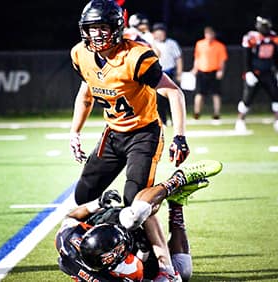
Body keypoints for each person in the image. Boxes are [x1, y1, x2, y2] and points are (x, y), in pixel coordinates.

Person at [69, 0, 189, 279]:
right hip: (112, 133)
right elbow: (86, 95)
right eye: (92, 28)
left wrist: (180, 137)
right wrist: (74, 131)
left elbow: (174, 93)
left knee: (136, 203)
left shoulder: (136, 57)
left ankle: (165, 268)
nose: (97, 34)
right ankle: (111, 249)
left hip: (144, 133)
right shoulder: (80, 54)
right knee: (84, 196)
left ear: (116, 28)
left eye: (102, 28)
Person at [55, 160, 223, 281]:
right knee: (184, 270)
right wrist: (145, 253)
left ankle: (177, 179)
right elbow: (139, 271)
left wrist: (96, 204)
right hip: (125, 255)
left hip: (112, 220)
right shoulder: (119, 273)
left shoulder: (67, 239)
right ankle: (176, 204)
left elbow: (71, 216)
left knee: (133, 218)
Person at [234, 16, 278, 134]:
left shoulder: (274, 38)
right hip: (255, 73)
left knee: (276, 96)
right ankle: (240, 121)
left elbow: (276, 57)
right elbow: (247, 56)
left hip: (268, 72)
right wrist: (248, 72)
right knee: (247, 99)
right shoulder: (252, 38)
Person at [191, 26, 228, 120]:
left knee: (216, 94)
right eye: (207, 34)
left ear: (214, 34)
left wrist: (221, 71)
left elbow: (222, 60)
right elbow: (197, 58)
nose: (209, 36)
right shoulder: (199, 44)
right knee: (199, 93)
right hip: (202, 72)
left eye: (211, 34)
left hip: (214, 72)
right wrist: (194, 69)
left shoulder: (220, 46)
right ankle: (197, 113)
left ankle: (216, 113)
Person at [153, 22, 183, 127]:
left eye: (161, 32)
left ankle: (175, 120)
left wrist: (179, 73)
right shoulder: (151, 43)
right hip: (156, 74)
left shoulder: (172, 43)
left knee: (172, 97)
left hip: (169, 72)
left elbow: (178, 58)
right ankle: (162, 120)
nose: (160, 34)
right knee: (159, 99)